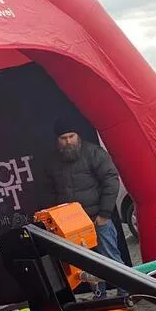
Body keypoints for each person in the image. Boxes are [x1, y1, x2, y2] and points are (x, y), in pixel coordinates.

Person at [43, 118, 126, 297]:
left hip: (98, 218)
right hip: (71, 225)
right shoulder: (52, 161)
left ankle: (126, 293)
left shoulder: (94, 153)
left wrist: (104, 214)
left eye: (71, 136)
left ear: (78, 135)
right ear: (57, 140)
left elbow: (111, 181)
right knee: (87, 263)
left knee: (111, 258)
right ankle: (99, 297)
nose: (68, 141)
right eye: (64, 138)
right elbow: (49, 192)